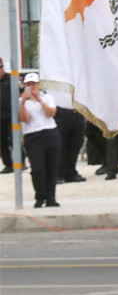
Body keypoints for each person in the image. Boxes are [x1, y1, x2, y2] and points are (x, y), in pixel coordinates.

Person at [18, 73, 60, 208]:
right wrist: (24, 102)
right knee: (38, 168)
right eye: (29, 85)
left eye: (34, 84)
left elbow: (51, 113)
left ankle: (51, 197)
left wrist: (40, 101)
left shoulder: (47, 97)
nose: (32, 87)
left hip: (49, 132)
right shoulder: (21, 101)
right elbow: (25, 119)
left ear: (38, 85)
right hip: (32, 135)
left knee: (51, 167)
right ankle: (40, 196)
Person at [55, 105, 87, 183]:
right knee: (60, 144)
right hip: (59, 110)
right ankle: (57, 174)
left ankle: (70, 172)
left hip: (77, 110)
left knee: (76, 142)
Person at [1, 57, 11, 174]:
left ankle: (21, 161)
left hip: (11, 116)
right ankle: (8, 164)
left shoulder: (11, 79)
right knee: (2, 141)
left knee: (14, 139)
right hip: (0, 117)